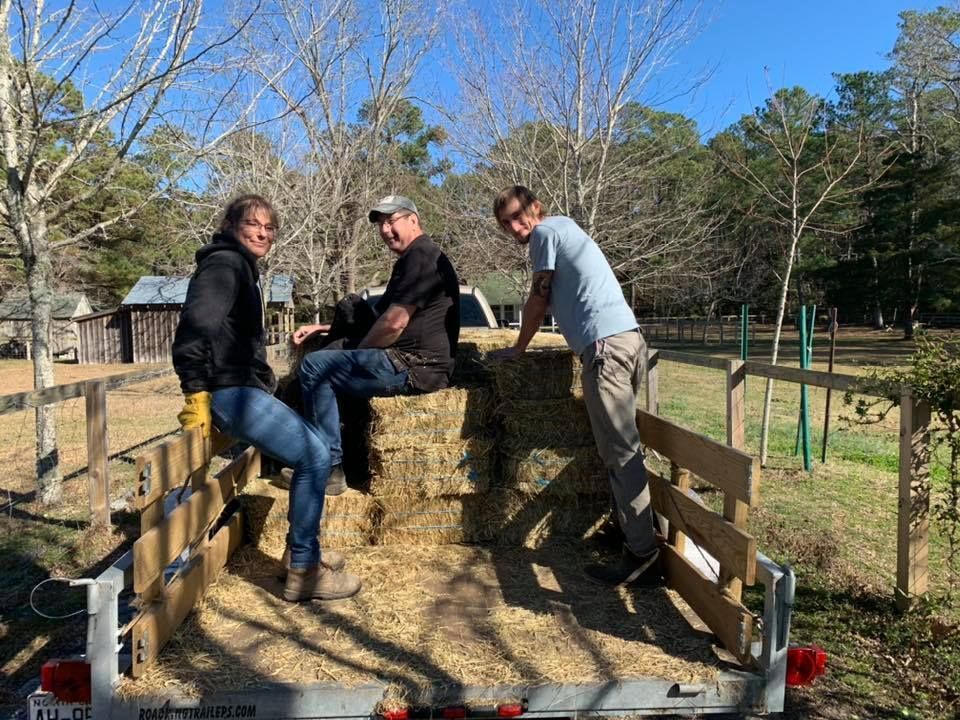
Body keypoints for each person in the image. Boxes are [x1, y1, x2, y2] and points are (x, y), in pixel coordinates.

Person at [172, 194, 362, 602]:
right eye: (253, 224)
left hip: (240, 387)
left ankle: (302, 552)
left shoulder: (241, 266)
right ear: (230, 226)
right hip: (229, 392)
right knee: (314, 455)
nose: (262, 233)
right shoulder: (224, 265)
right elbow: (194, 329)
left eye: (269, 227)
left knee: (314, 449)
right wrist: (195, 392)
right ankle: (304, 569)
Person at [491, 185, 661, 588]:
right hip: (627, 340)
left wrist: (518, 348)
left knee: (621, 454)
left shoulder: (546, 234)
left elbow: (537, 299)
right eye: (506, 224)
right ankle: (630, 532)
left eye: (519, 216)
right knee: (622, 448)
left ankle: (643, 556)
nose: (516, 228)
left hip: (605, 348)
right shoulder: (568, 228)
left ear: (536, 207)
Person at [296, 195, 461, 468]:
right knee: (349, 314)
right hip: (410, 361)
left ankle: (326, 467)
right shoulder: (412, 258)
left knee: (315, 367)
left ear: (413, 220)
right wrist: (324, 328)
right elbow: (380, 318)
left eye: (391, 221)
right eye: (380, 224)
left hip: (414, 366)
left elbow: (394, 324)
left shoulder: (421, 256)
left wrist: (356, 352)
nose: (385, 230)